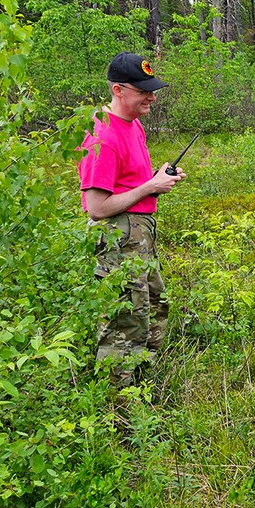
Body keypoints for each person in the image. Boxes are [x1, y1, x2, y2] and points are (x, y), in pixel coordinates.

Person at [79, 52, 186, 388]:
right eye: (143, 91)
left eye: (151, 89)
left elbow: (130, 183)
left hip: (140, 235)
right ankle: (119, 406)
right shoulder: (102, 136)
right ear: (118, 90)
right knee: (125, 320)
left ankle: (142, 386)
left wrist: (156, 181)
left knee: (154, 307)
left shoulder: (133, 124)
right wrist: (150, 186)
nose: (151, 96)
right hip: (118, 238)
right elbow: (96, 207)